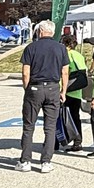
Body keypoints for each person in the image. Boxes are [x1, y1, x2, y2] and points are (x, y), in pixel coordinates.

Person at [17, 20, 69, 173]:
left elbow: (25, 72)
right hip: (53, 87)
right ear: (52, 31)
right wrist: (63, 91)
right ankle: (46, 161)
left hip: (35, 86)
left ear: (40, 31)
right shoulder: (61, 48)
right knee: (50, 127)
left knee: (29, 126)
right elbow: (65, 72)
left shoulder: (31, 47)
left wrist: (27, 88)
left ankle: (25, 160)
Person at [61, 35, 86, 153]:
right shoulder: (79, 55)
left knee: (62, 117)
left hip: (67, 90)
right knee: (75, 117)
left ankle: (62, 139)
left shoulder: (67, 54)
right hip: (77, 91)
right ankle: (78, 141)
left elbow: (65, 72)